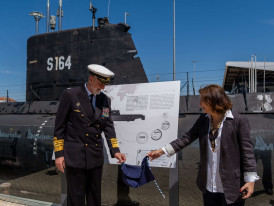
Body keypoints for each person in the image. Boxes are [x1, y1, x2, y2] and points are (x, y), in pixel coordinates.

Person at [147, 84, 259, 206]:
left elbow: (247, 152)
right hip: (209, 185)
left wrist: (250, 180)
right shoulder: (203, 119)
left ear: (214, 100)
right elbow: (187, 138)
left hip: (232, 186)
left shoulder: (239, 121)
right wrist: (162, 151)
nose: (200, 105)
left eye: (202, 101)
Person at [53, 64, 126, 206]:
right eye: (101, 84)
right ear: (91, 79)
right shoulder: (71, 95)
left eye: (105, 85)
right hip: (75, 157)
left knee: (94, 198)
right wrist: (59, 154)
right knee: (76, 199)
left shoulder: (105, 100)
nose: (103, 88)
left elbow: (108, 126)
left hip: (94, 157)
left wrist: (115, 150)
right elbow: (59, 127)